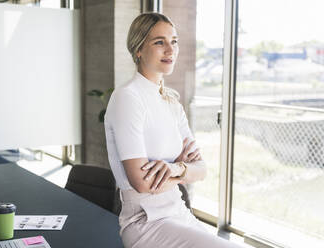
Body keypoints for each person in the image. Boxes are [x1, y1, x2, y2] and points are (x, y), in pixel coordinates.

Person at [104, 12, 244, 248]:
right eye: (159, 42)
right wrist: (182, 172)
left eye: (174, 41)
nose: (170, 50)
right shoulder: (127, 98)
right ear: (138, 49)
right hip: (146, 222)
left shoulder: (171, 102)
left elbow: (201, 170)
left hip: (179, 213)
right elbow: (141, 183)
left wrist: (174, 167)